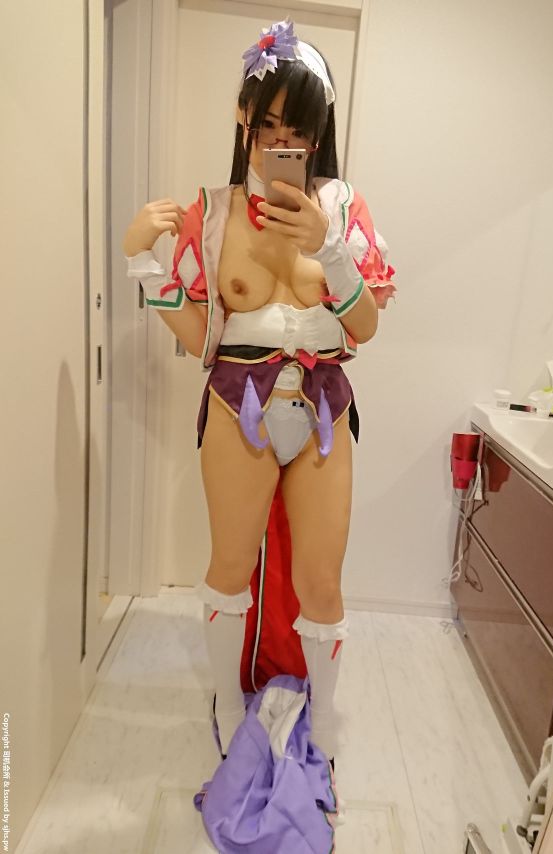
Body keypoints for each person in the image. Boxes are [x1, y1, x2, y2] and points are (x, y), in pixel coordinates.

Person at [123, 17, 396, 767]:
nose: (281, 140)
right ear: (244, 116)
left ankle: (326, 718)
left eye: (297, 130)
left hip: (323, 406)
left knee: (322, 579)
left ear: (319, 132)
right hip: (234, 403)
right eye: (268, 123)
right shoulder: (211, 214)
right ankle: (224, 697)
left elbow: (365, 327)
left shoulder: (343, 209)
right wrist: (141, 261)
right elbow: (199, 336)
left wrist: (329, 250)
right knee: (230, 562)